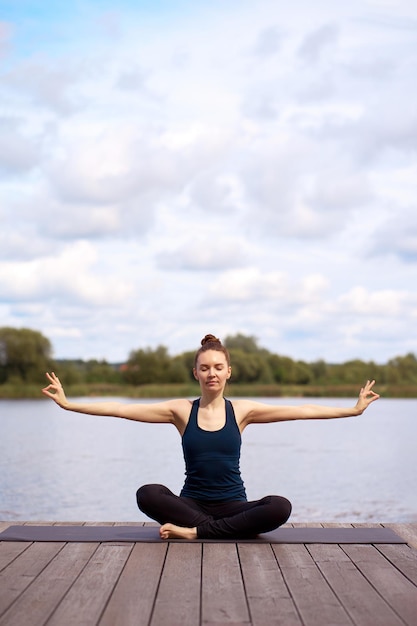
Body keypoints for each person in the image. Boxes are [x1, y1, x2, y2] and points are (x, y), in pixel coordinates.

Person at [42, 333, 380, 540]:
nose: (211, 373)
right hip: (192, 505)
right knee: (147, 493)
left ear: (228, 372)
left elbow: (301, 411)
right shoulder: (179, 411)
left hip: (234, 505)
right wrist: (70, 405)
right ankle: (210, 530)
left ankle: (196, 533)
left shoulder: (243, 411)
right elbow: (120, 408)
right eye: (205, 368)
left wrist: (352, 410)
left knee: (280, 506)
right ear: (196, 373)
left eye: (218, 367)